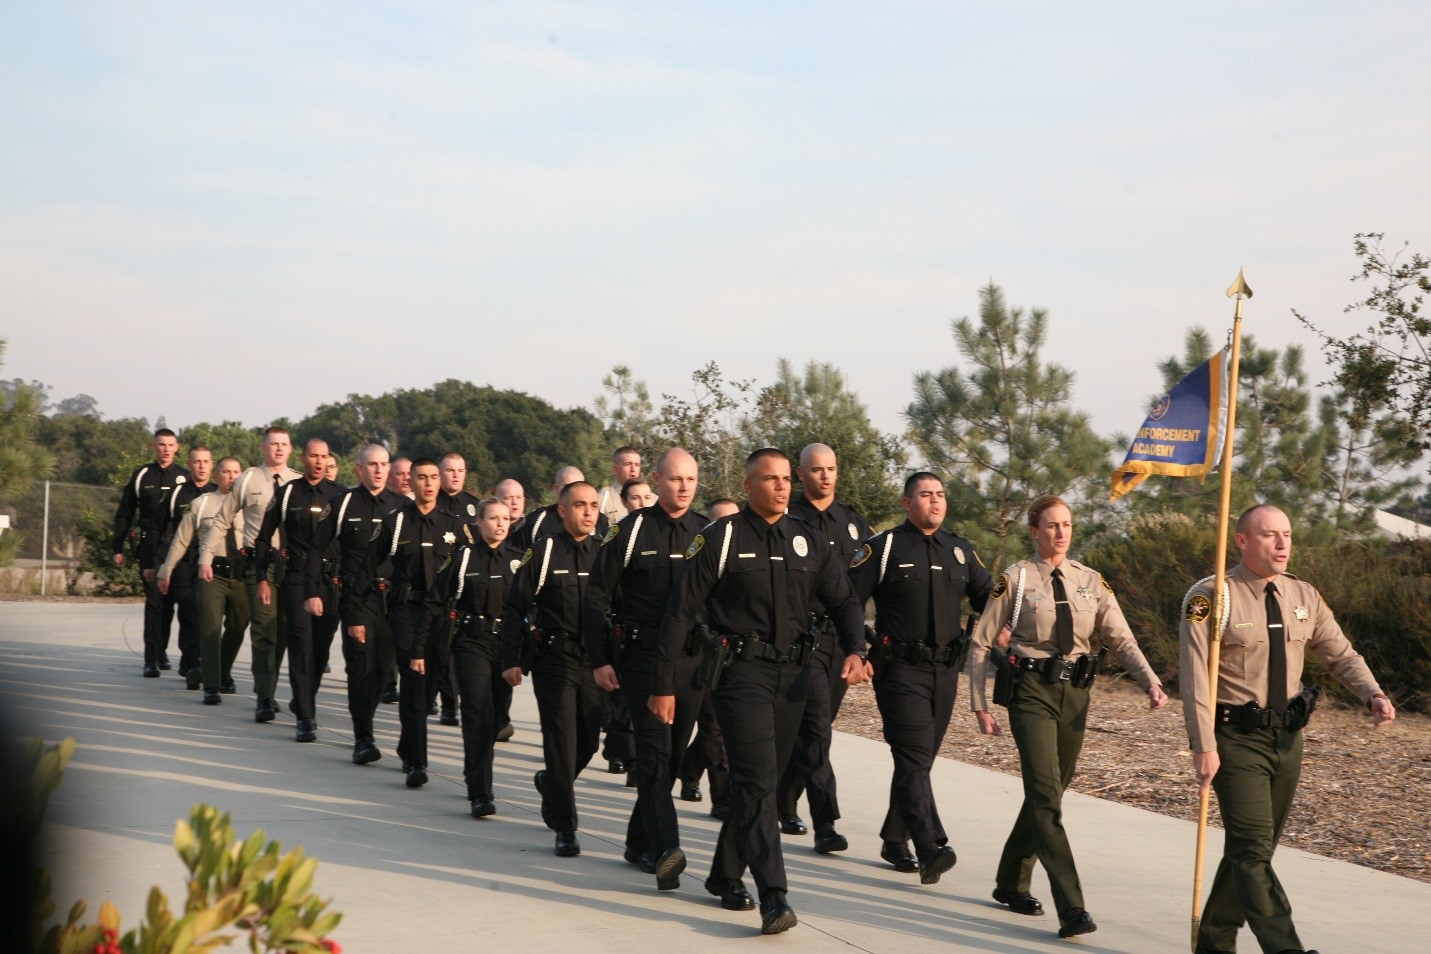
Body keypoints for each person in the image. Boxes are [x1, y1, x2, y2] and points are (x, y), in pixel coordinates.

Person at [651, 449, 869, 935]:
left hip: (794, 677)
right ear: (749, 485)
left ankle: (725, 873)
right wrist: (663, 684)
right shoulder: (719, 539)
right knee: (756, 780)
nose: (782, 487)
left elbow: (845, 600)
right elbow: (680, 614)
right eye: (770, 480)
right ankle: (774, 894)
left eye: (786, 479)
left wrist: (856, 648)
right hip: (740, 675)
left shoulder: (808, 540)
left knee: (763, 784)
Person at [1181, 504, 1394, 954]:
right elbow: (1195, 676)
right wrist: (1203, 745)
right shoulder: (1212, 598)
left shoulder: (1304, 596)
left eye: (1287, 535)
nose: (1282, 545)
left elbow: (1341, 653)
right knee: (1253, 849)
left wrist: (1372, 693)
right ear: (1241, 541)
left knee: (1250, 850)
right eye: (1269, 535)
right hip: (1235, 739)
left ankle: (1214, 944)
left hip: (1287, 739)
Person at [967, 494, 1168, 939]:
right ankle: (1072, 907)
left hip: (1076, 694)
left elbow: (1122, 639)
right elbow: (981, 642)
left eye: (1068, 525)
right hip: (1030, 692)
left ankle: (1009, 881)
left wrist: (1150, 681)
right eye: (1052, 525)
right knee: (1044, 794)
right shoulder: (1015, 579)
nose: (1061, 533)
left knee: (1049, 794)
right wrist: (978, 704)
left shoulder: (1091, 581)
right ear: (1034, 530)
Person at [849, 472, 993, 882]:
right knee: (913, 753)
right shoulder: (883, 547)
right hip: (899, 669)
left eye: (940, 494)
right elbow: (846, 600)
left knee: (920, 760)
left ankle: (895, 837)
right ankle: (930, 845)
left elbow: (990, 599)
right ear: (906, 503)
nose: (935, 501)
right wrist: (860, 646)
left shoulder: (960, 551)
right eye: (925, 494)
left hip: (945, 671)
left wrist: (1008, 624)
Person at [583, 448, 707, 891]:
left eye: (691, 479)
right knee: (654, 759)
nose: (685, 487)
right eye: (676, 479)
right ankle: (666, 850)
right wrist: (599, 659)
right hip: (642, 661)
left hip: (691, 663)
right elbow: (596, 596)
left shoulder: (707, 533)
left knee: (672, 758)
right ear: (657, 480)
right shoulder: (631, 531)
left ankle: (638, 841)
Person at [499, 481, 605, 857]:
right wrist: (510, 660)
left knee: (589, 741)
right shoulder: (543, 553)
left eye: (593, 505)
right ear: (562, 511)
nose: (589, 512)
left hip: (593, 662)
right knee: (561, 743)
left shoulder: (604, 554)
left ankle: (551, 783)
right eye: (580, 505)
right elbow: (515, 607)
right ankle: (566, 827)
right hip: (554, 660)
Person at [777, 442, 872, 853]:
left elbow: (866, 587)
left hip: (841, 641)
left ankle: (782, 801)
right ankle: (826, 822)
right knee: (816, 726)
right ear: (801, 474)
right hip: (803, 640)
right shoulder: (786, 519)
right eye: (817, 470)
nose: (826, 476)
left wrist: (864, 647)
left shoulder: (853, 524)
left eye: (831, 468)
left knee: (814, 729)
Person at [370, 458, 468, 788]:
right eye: (421, 478)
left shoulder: (454, 526)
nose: (427, 483)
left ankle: (406, 743)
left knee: (428, 690)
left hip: (442, 616)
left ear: (439, 482)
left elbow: (469, 572)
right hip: (406, 612)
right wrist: (358, 609)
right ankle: (417, 762)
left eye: (432, 477)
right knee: (412, 683)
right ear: (410, 482)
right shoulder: (395, 522)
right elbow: (369, 563)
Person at [200, 426, 301, 721]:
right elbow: (221, 520)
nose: (279, 449)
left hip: (291, 566)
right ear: (263, 447)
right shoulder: (247, 480)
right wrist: (205, 557)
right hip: (260, 565)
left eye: (284, 444)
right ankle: (265, 697)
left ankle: (268, 687)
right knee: (263, 629)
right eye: (273, 444)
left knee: (282, 632)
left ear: (291, 448)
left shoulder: (298, 482)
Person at [254, 439, 346, 744]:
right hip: (295, 578)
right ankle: (306, 717)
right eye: (313, 456)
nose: (318, 462)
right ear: (303, 458)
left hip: (330, 581)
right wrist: (262, 578)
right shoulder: (287, 492)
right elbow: (263, 538)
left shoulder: (341, 495)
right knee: (300, 647)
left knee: (320, 649)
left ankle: (304, 696)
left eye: (324, 456)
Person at [328, 444, 406, 765]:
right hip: (356, 599)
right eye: (371, 464)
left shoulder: (402, 507)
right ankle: (363, 738)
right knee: (360, 668)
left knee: (381, 669)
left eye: (383, 464)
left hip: (391, 600)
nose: (378, 470)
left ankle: (366, 718)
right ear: (358, 469)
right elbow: (323, 548)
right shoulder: (343, 503)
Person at [446, 498, 521, 817]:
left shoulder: (519, 561)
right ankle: (481, 792)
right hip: (471, 644)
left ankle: (474, 765)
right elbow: (440, 599)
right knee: (477, 713)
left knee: (495, 718)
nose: (501, 524)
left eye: (506, 518)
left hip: (505, 647)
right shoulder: (463, 558)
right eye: (493, 518)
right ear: (480, 522)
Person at [677, 497, 738, 818]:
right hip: (696, 653)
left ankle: (697, 777)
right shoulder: (697, 556)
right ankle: (716, 791)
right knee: (711, 727)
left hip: (733, 655)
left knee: (717, 727)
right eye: (720, 522)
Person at [113, 428, 192, 677]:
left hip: (178, 547)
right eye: (161, 444)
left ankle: (161, 650)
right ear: (153, 447)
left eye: (170, 445)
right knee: (155, 602)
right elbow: (125, 512)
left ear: (177, 447)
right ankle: (150, 659)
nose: (166, 449)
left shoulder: (185, 477)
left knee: (170, 605)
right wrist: (118, 547)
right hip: (151, 548)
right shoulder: (142, 476)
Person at [158, 451, 236, 702]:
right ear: (217, 475)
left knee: (238, 625)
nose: (232, 476)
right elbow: (181, 540)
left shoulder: (251, 504)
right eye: (226, 471)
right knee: (207, 626)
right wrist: (165, 570)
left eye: (236, 472)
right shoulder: (201, 503)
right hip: (209, 571)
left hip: (242, 573)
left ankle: (221, 668)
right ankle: (209, 678)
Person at [158, 445, 217, 686]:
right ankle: (191, 662)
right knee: (189, 613)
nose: (201, 466)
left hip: (211, 563)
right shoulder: (177, 494)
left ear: (212, 465)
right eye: (196, 461)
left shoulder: (220, 494)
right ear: (189, 464)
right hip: (183, 562)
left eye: (205, 461)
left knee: (209, 616)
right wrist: (163, 566)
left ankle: (205, 661)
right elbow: (163, 531)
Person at [432, 452, 483, 725]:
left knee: (458, 650)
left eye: (460, 470)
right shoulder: (431, 503)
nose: (454, 475)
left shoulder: (475, 507)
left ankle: (452, 703)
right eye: (449, 470)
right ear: (439, 473)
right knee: (439, 649)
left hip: (465, 587)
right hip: (437, 585)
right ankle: (444, 701)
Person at [491, 477, 527, 741]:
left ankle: (501, 718)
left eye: (518, 497)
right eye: (507, 497)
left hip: (511, 618)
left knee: (506, 669)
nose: (514, 502)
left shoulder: (531, 531)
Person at [597, 446, 642, 524]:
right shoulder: (603, 498)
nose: (633, 469)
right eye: (628, 464)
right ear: (615, 469)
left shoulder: (652, 499)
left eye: (637, 465)